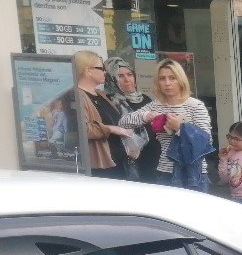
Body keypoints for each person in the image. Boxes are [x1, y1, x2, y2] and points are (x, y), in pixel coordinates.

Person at [118, 59, 211, 182]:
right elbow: (123, 122)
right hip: (165, 170)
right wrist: (147, 116)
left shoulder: (195, 105)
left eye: (172, 78)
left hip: (193, 172)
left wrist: (180, 128)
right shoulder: (156, 105)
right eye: (162, 79)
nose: (167, 83)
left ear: (181, 80)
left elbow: (206, 142)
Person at [72, 50, 132, 179]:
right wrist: (110, 128)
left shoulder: (101, 94)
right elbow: (82, 129)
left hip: (118, 162)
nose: (105, 72)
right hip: (99, 167)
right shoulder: (76, 96)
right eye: (101, 68)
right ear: (88, 70)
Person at [104, 57, 162, 183]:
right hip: (126, 159)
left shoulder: (144, 99)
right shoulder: (109, 101)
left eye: (130, 74)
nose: (127, 79)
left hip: (151, 155)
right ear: (111, 79)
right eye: (120, 76)